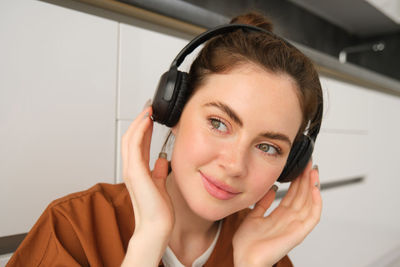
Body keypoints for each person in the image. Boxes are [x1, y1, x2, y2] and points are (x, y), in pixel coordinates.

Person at [7, 12, 322, 267]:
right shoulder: (72, 228)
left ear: (290, 164)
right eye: (218, 123)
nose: (235, 165)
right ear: (173, 112)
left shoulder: (267, 257)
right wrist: (147, 243)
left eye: (268, 147)